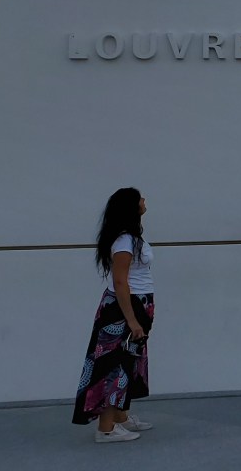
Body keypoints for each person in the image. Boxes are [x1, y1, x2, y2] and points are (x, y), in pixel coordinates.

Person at [72, 187, 156, 442]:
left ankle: (120, 417)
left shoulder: (130, 238)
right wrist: (131, 320)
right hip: (124, 307)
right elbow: (120, 282)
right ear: (132, 207)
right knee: (114, 364)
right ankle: (106, 429)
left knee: (128, 361)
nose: (144, 201)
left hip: (137, 304)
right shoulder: (123, 241)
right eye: (140, 198)